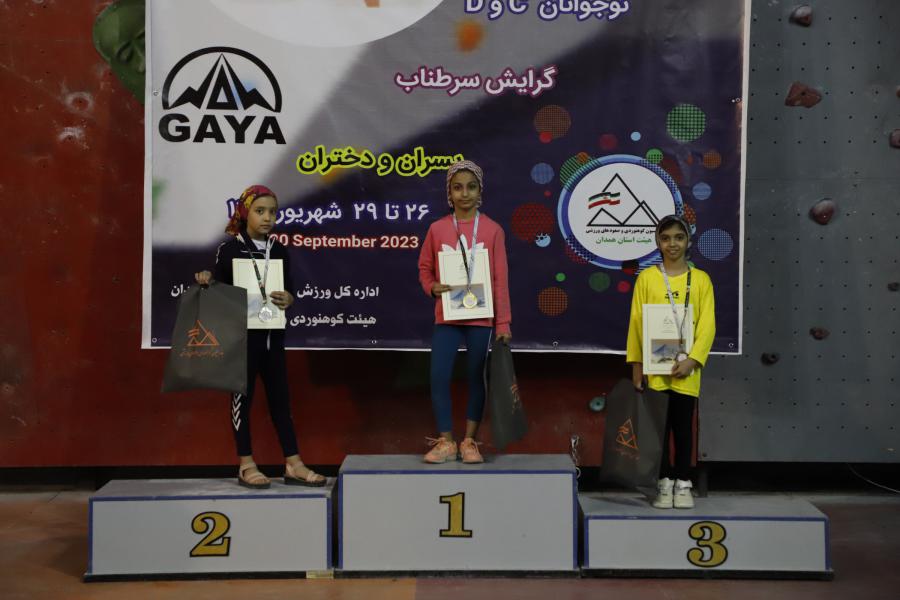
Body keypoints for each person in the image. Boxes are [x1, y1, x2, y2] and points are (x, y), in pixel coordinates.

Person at [195, 185, 326, 489]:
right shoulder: (229, 250)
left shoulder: (278, 250)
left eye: (273, 212)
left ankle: (293, 463)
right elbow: (217, 289)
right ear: (244, 213)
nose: (268, 218)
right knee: (241, 402)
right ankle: (246, 464)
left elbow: (289, 289)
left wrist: (289, 298)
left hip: (273, 338)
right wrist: (206, 281)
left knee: (281, 401)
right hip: (241, 342)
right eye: (260, 211)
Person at [417, 160, 512, 464]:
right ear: (449, 192)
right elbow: (425, 268)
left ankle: (469, 441)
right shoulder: (437, 229)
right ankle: (446, 441)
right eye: (458, 188)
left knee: (476, 377)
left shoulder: (493, 230)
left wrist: (503, 323)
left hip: (481, 317)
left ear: (480, 190)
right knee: (438, 376)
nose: (465, 193)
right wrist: (432, 287)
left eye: (471, 187)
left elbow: (500, 280)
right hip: (447, 315)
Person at [626, 214, 715, 509]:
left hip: (686, 370)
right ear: (657, 242)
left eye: (678, 237)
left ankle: (683, 483)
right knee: (659, 431)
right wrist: (637, 366)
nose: (672, 244)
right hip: (655, 370)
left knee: (683, 428)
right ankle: (664, 483)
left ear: (688, 241)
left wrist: (693, 360)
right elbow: (636, 324)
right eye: (665, 238)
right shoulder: (647, 278)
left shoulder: (700, 280)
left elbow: (708, 326)